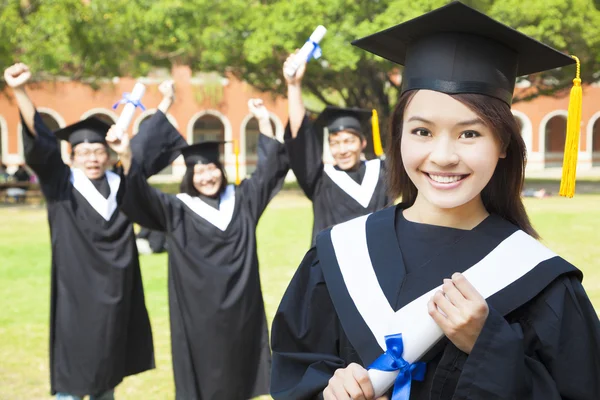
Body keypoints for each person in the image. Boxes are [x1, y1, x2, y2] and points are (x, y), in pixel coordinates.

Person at [270, 3, 600, 400]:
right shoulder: (338, 254)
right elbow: (294, 371)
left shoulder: (538, 279)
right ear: (398, 139)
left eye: (470, 134)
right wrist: (327, 391)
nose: (443, 156)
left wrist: (491, 347)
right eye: (422, 131)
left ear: (504, 145)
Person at [2, 63, 170, 400]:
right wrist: (20, 91)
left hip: (116, 293)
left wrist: (164, 104)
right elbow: (42, 142)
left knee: (108, 368)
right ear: (72, 155)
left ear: (108, 156)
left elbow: (147, 150)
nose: (92, 158)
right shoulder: (61, 185)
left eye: (98, 151)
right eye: (84, 152)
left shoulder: (123, 185)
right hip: (76, 295)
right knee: (76, 370)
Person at [106, 98, 290, 399]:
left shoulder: (242, 201)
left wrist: (263, 122)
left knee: (241, 380)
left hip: (242, 313)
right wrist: (126, 155)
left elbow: (269, 172)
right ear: (189, 176)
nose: (207, 176)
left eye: (212, 168)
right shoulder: (176, 210)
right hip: (197, 317)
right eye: (199, 171)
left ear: (221, 169)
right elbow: (139, 195)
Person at [283, 57, 388, 245]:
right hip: (332, 271)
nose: (342, 150)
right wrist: (294, 85)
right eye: (335, 143)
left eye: (349, 141)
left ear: (363, 143)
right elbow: (301, 138)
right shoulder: (320, 180)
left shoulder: (381, 172)